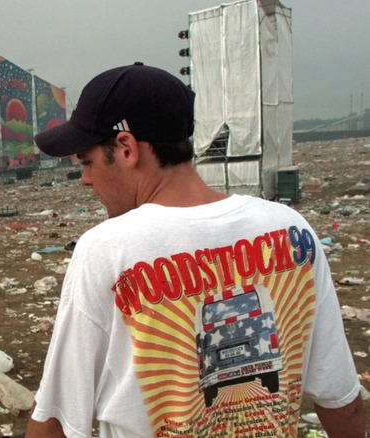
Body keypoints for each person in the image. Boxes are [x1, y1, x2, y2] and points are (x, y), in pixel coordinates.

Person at [26, 62, 364, 438]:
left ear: (125, 149)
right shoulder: (292, 230)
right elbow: (340, 401)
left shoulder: (106, 249)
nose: (86, 179)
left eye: (87, 162)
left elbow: (55, 419)